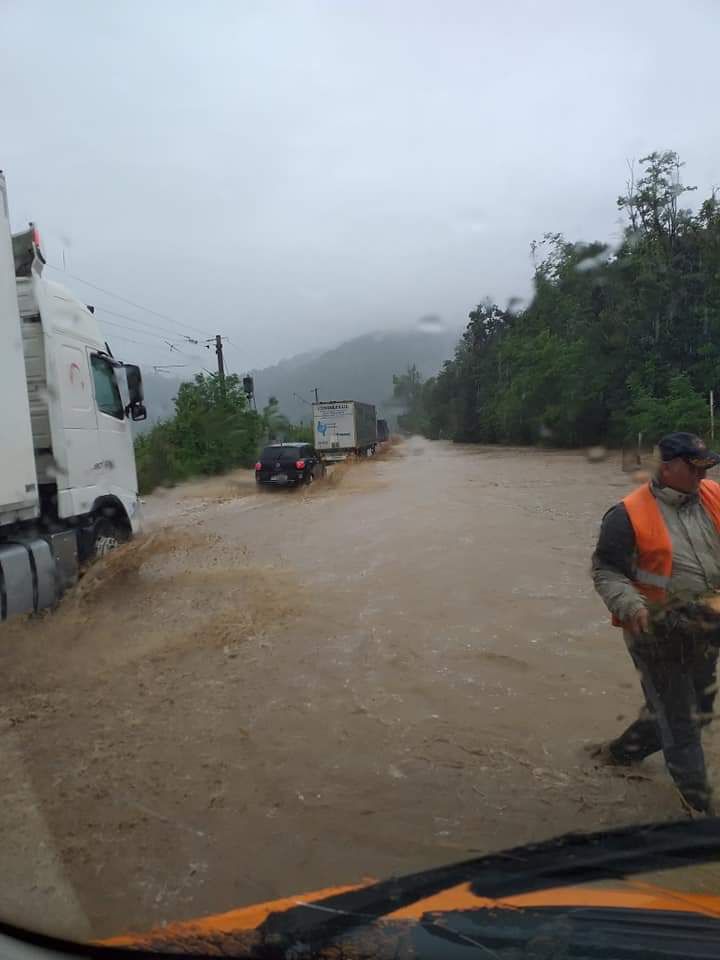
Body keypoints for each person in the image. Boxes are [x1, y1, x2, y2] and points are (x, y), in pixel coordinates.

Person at [592, 432, 720, 814]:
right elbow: (606, 571)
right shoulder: (626, 515)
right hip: (655, 631)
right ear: (667, 467)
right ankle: (699, 813)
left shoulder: (713, 497)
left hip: (707, 626)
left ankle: (619, 755)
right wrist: (633, 606)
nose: (703, 475)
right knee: (683, 720)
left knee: (692, 707)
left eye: (706, 467)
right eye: (694, 468)